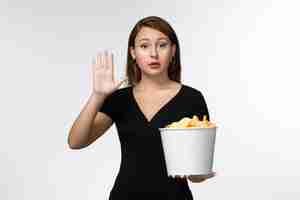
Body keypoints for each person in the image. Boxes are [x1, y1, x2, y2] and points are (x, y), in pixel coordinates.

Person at [68, 16, 216, 200]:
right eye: (144, 46)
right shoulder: (120, 99)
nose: (153, 53)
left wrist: (200, 173)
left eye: (162, 45)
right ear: (133, 52)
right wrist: (97, 95)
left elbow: (196, 175)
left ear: (173, 51)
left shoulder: (191, 98)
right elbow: (76, 142)